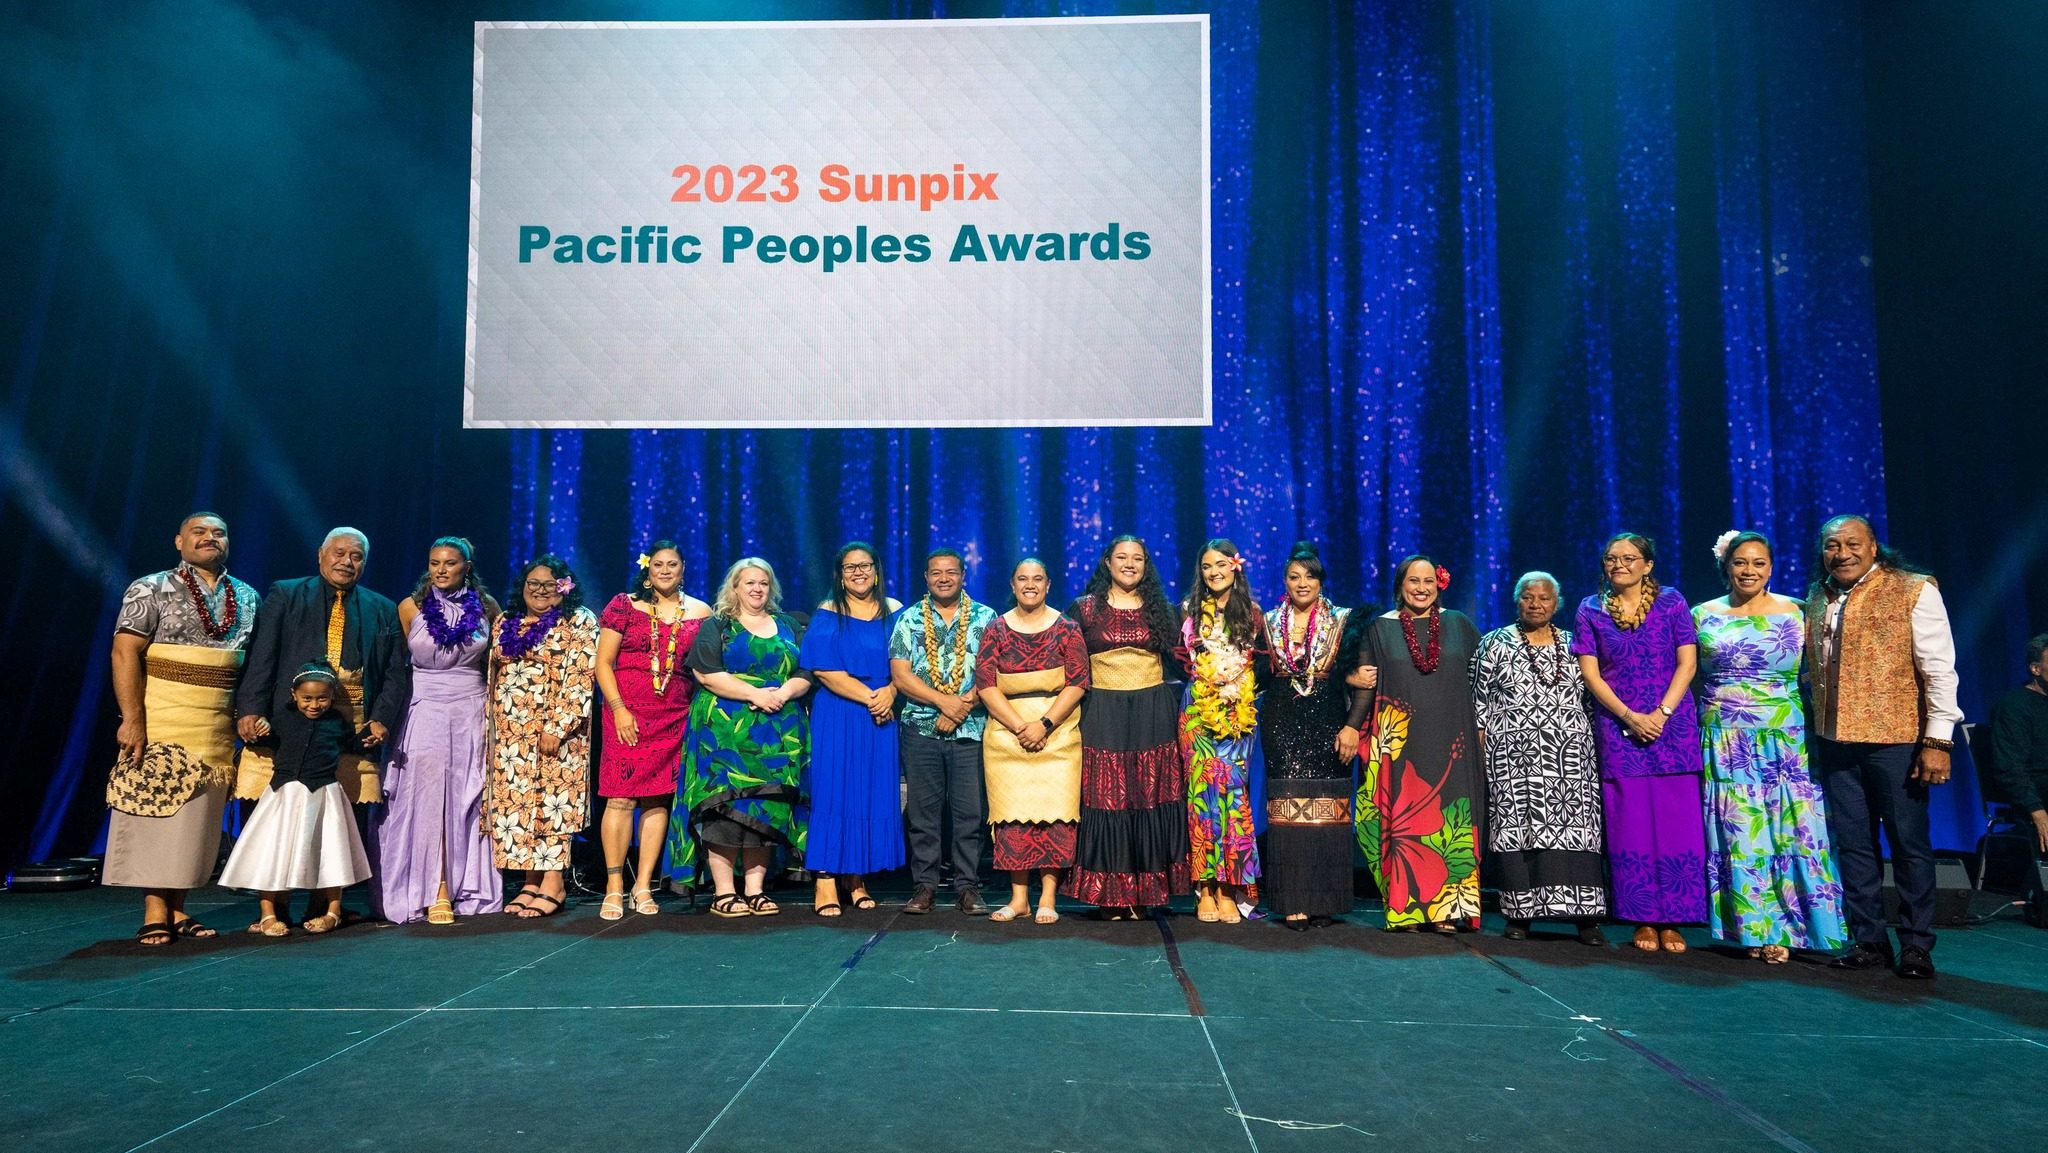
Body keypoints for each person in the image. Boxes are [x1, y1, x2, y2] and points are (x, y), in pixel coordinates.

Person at [1806, 514, 1962, 979]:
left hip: (1896, 740)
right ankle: (1869, 939)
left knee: (1908, 843)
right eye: (1832, 545)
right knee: (1854, 845)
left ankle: (1916, 944)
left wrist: (1938, 740)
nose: (1842, 553)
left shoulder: (1913, 589)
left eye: (1852, 543)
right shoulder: (1817, 596)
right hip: (1836, 741)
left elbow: (1939, 668)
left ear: (1873, 546)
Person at [105, 512, 261, 946]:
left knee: (196, 822)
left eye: (219, 533)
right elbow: (124, 652)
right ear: (179, 541)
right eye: (200, 532)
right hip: (164, 715)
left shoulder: (246, 595)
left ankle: (178, 909)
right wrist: (132, 719)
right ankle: (155, 911)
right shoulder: (150, 587)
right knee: (159, 812)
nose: (210, 538)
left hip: (216, 721)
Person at [1695, 532, 1847, 963]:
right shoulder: (1701, 614)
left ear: (1771, 568)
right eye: (1741, 562)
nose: (1749, 571)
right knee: (1742, 833)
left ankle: (1794, 928)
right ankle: (1754, 929)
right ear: (1727, 566)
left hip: (1787, 737)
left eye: (1758, 563)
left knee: (1792, 828)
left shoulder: (1798, 612)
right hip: (1725, 737)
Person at [1573, 532, 1706, 954]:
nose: (1619, 565)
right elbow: (1591, 674)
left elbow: (1688, 663)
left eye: (1629, 558)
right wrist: (1630, 717)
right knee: (1629, 824)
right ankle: (1643, 918)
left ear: (1647, 565)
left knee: (1676, 823)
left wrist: (1661, 714)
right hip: (1619, 729)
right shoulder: (1591, 608)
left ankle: (1675, 919)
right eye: (1611, 558)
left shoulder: (1672, 602)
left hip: (1672, 728)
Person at [234, 528, 410, 833]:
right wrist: (251, 708)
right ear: (321, 555)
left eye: (356, 556)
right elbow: (262, 656)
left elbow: (394, 673)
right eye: (339, 553)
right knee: (273, 820)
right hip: (287, 721)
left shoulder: (383, 608)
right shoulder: (286, 594)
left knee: (342, 825)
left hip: (353, 727)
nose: (347, 562)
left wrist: (381, 718)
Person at [668, 558, 813, 919]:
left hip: (776, 736)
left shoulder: (788, 625)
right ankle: (724, 892)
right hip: (723, 737)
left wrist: (784, 692)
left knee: (766, 808)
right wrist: (755, 695)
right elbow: (706, 673)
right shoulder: (718, 625)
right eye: (749, 582)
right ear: (734, 587)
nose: (757, 589)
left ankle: (755, 889)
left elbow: (807, 671)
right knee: (725, 810)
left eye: (763, 582)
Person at [1347, 555, 1484, 932]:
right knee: (1404, 820)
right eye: (1413, 581)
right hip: (1400, 744)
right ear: (1400, 585)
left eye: (1428, 581)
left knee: (1452, 819)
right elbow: (1363, 680)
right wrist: (1350, 682)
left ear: (1439, 585)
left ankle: (1448, 911)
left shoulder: (1459, 625)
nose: (1421, 588)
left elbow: (1485, 679)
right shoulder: (1379, 628)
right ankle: (1405, 908)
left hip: (1453, 741)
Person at [1470, 572, 1607, 945]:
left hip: (1572, 760)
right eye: (1528, 597)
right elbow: (1477, 705)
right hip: (1512, 761)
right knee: (1519, 834)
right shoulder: (1493, 644)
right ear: (1517, 600)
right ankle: (1520, 916)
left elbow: (1593, 700)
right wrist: (1480, 758)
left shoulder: (1577, 644)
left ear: (1556, 603)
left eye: (1544, 598)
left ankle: (1586, 919)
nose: (1536, 604)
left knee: (1577, 833)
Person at [374, 536, 503, 926]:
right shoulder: (409, 607)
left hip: (471, 709)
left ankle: (466, 884)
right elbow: (396, 668)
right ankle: (436, 889)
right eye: (434, 563)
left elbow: (498, 664)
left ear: (467, 567)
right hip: (425, 708)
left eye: (450, 563)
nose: (441, 570)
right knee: (430, 798)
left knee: (467, 794)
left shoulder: (486, 606)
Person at [1065, 536, 1190, 918]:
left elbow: (1184, 662)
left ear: (1146, 565)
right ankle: (1110, 897)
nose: (1130, 564)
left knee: (1148, 796)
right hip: (1102, 710)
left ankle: (1145, 894)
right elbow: (1068, 664)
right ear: (1107, 562)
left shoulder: (1162, 609)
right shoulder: (1085, 609)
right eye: (1122, 557)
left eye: (1138, 558)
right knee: (1107, 797)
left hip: (1152, 711)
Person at [592, 542, 711, 920]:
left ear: (683, 568)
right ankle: (614, 886)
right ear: (647, 569)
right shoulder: (624, 605)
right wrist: (618, 709)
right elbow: (603, 663)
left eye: (672, 564)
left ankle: (643, 885)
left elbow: (705, 666)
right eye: (658, 564)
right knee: (620, 799)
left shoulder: (701, 611)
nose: (665, 570)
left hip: (673, 716)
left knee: (657, 800)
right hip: (626, 715)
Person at [218, 662, 374, 935]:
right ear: (294, 695)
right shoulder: (282, 718)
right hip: (285, 794)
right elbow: (264, 740)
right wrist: (260, 729)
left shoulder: (336, 722)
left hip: (324, 792)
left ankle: (332, 911)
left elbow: (351, 744)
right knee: (273, 850)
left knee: (331, 849)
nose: (314, 705)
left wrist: (370, 737)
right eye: (307, 698)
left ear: (332, 696)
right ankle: (268, 914)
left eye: (322, 698)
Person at [484, 555, 600, 920]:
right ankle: (530, 882)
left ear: (565, 587)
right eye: (532, 584)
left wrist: (558, 725)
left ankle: (554, 883)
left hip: (555, 729)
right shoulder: (506, 620)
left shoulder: (578, 620)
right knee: (518, 807)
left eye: (549, 585)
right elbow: (493, 673)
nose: (539, 591)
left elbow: (580, 676)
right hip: (511, 733)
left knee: (553, 805)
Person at [978, 559, 1090, 925]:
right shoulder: (995, 629)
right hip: (1006, 734)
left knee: (1055, 815)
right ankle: (1019, 899)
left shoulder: (1068, 628)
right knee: (1012, 817)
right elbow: (986, 685)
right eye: (1023, 579)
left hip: (1057, 733)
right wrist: (1019, 727)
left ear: (1048, 584)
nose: (1030, 585)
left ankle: (1048, 898)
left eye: (1037, 579)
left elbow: (1078, 681)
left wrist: (1043, 724)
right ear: (1012, 585)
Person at [889, 547, 997, 915]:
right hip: (920, 729)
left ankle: (968, 887)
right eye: (936, 572)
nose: (944, 578)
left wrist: (961, 707)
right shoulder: (908, 619)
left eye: (951, 572)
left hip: (971, 730)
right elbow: (901, 675)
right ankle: (925, 887)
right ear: (926, 577)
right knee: (923, 815)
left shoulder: (986, 618)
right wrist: (943, 702)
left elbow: (995, 672)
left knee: (970, 814)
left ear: (964, 576)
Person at [800, 542, 906, 916]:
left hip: (882, 714)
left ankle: (856, 878)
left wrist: (891, 692)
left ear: (876, 571)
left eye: (865, 566)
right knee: (834, 792)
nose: (858, 572)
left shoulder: (896, 611)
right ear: (840, 576)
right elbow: (824, 669)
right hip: (840, 712)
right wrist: (873, 698)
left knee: (869, 793)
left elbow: (908, 665)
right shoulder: (829, 612)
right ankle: (826, 878)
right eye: (850, 567)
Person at [1258, 542, 1360, 931]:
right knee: (1287, 811)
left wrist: (1352, 721)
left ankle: (1324, 901)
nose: (1302, 583)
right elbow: (1259, 674)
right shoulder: (1268, 622)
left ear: (1321, 581)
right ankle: (1293, 901)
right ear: (1284, 581)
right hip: (1281, 721)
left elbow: (1361, 676)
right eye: (1294, 577)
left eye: (1310, 576)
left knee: (1328, 811)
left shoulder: (1343, 620)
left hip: (1329, 719)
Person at [1176, 538, 1265, 924]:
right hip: (1198, 711)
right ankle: (1205, 888)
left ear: (1235, 567)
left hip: (1238, 712)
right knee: (1202, 799)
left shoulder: (1254, 614)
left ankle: (1230, 888)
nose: (1213, 572)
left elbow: (1262, 666)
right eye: (1206, 566)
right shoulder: (1189, 609)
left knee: (1233, 798)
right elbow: (1179, 661)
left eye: (1220, 564)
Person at [1986, 633, 2048, 858]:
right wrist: (2036, 810)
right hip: (2034, 790)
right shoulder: (2013, 707)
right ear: (2035, 669)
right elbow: (2009, 769)